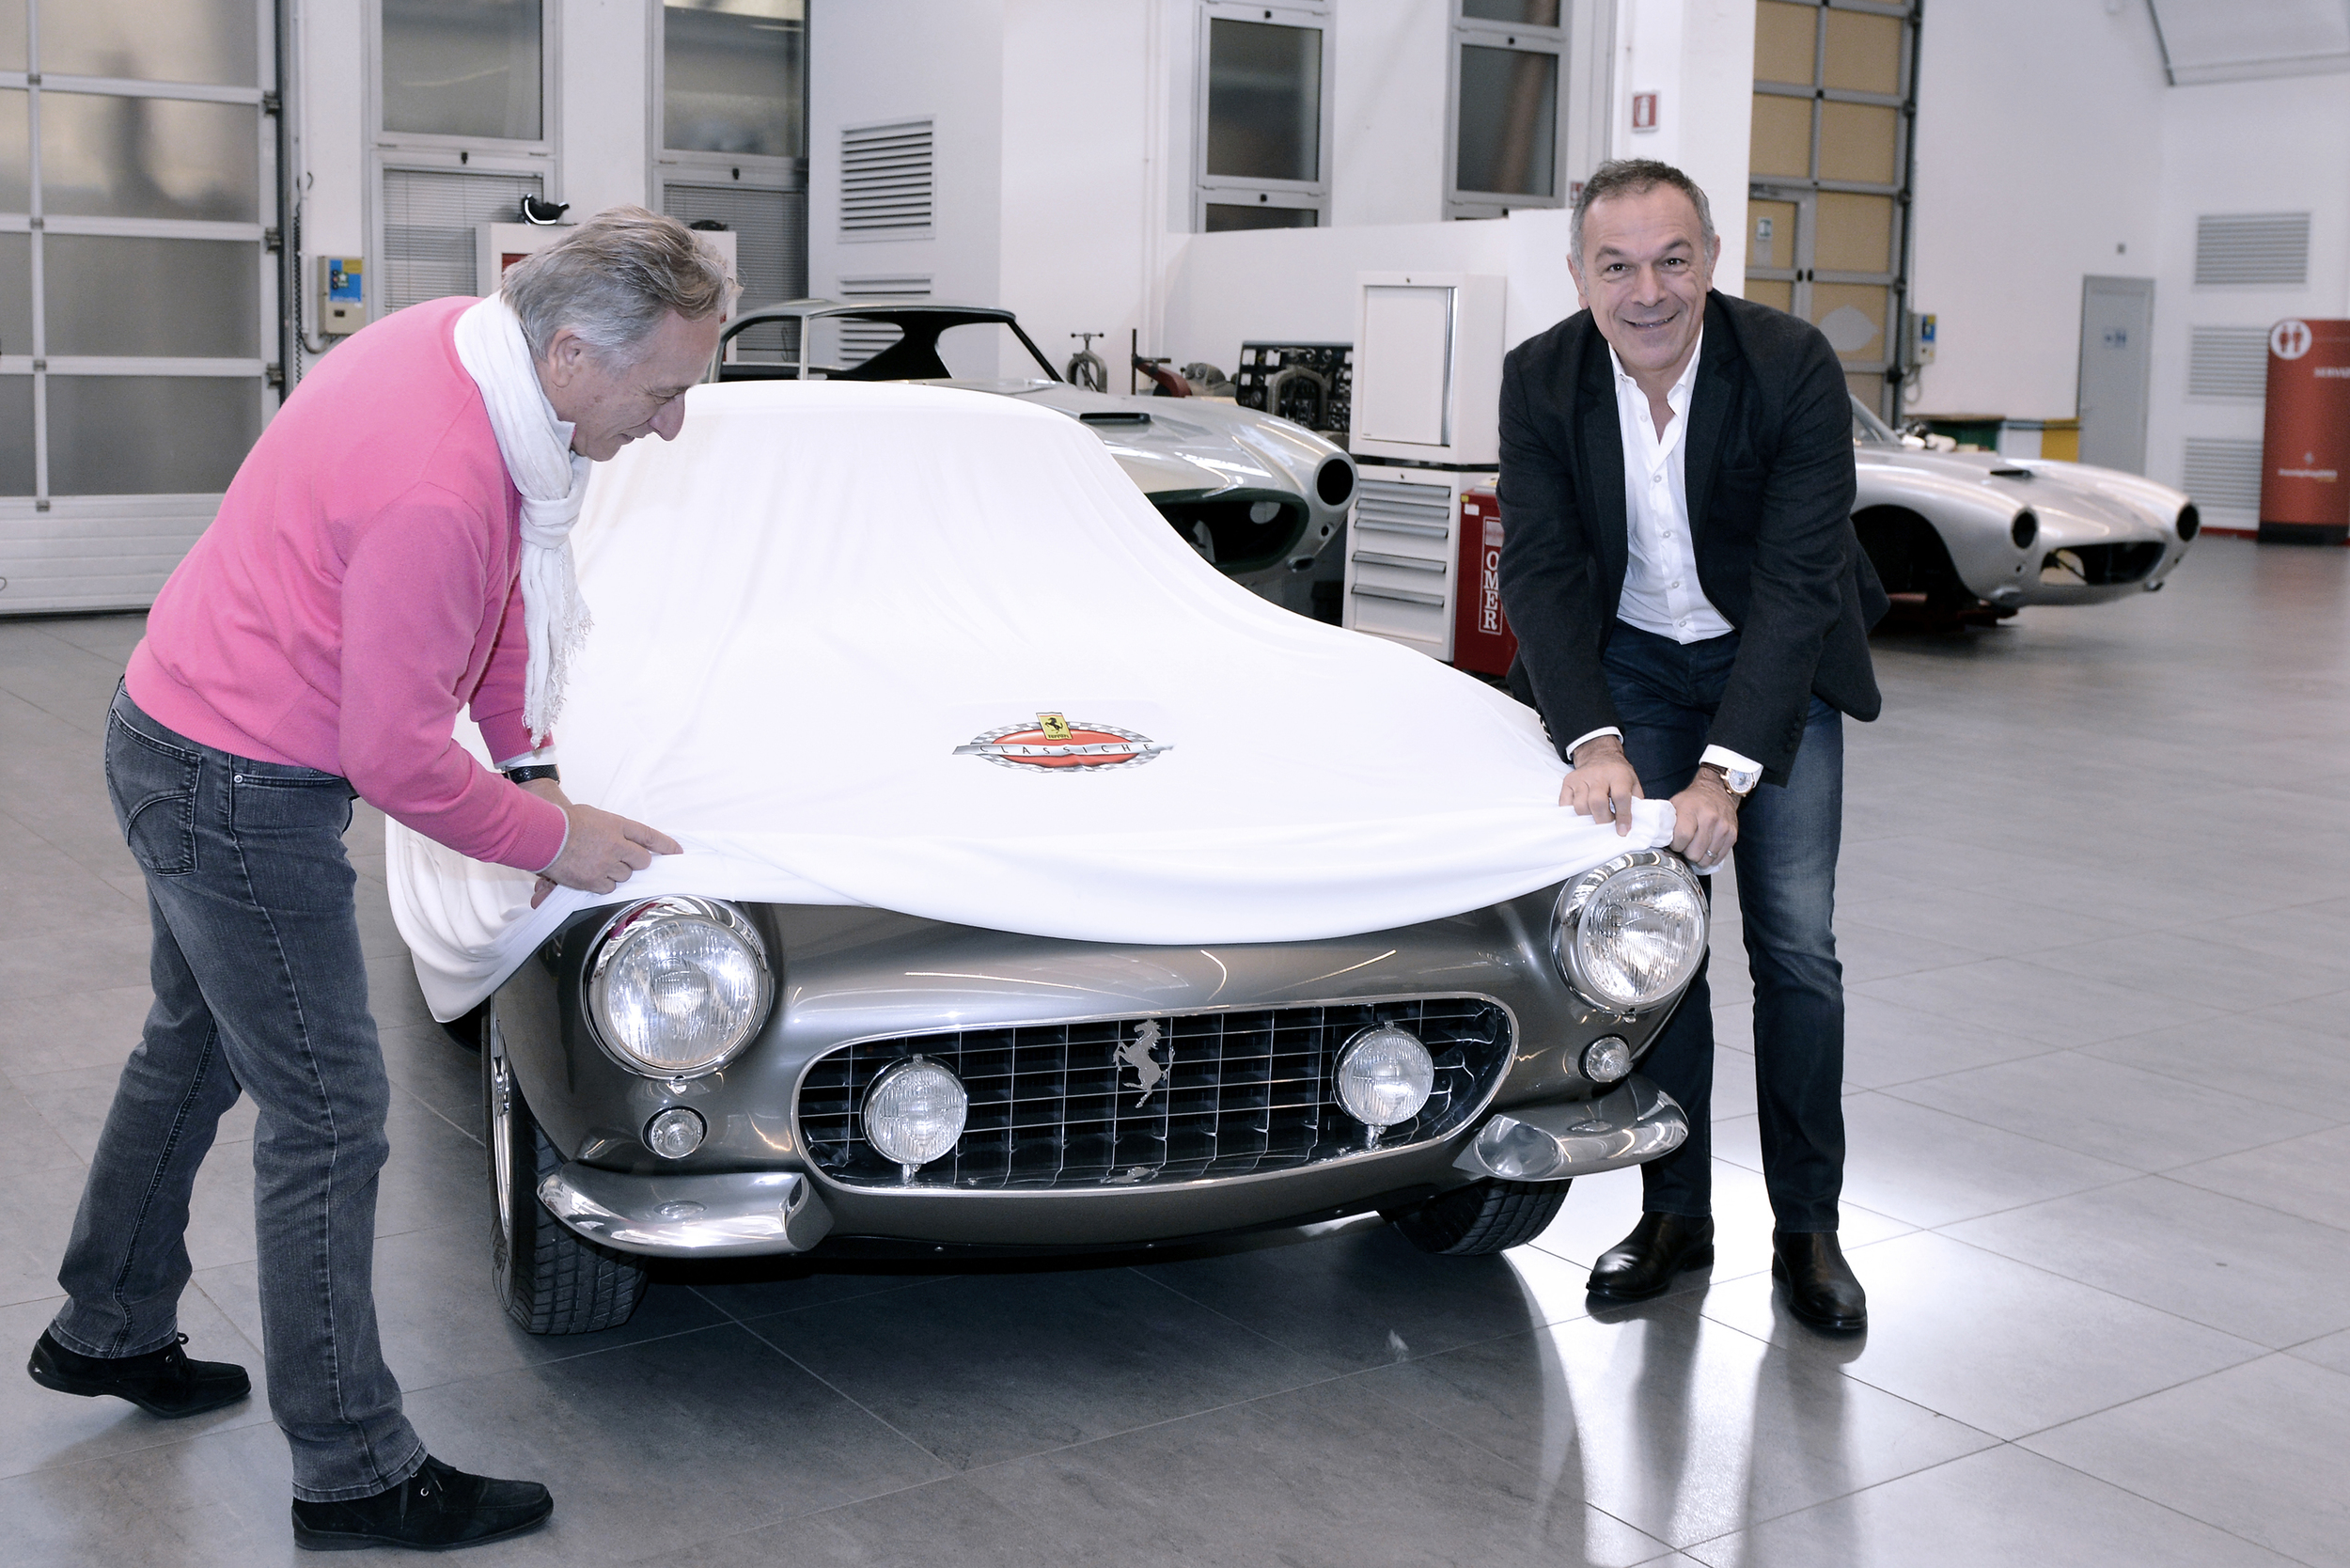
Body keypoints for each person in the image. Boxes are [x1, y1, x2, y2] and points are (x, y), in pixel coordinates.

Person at [25, 208, 728, 1548]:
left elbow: (510, 590)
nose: (672, 422)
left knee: (194, 1046)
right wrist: (555, 839)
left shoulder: (466, 353)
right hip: (236, 786)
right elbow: (395, 756)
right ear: (573, 355)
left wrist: (528, 767)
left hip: (177, 726)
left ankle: (107, 1325)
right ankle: (350, 1469)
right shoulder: (441, 482)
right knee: (332, 1112)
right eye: (663, 391)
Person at [1497, 160, 1887, 1332]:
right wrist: (1594, 737)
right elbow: (1543, 571)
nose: (1648, 291)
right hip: (1631, 666)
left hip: (1774, 664)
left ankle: (1808, 1230)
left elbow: (1799, 581)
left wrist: (1728, 769)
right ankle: (1674, 1216)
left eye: (1673, 260)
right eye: (1616, 266)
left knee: (1796, 949)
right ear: (1579, 275)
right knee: (1651, 947)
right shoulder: (1540, 378)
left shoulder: (1789, 365)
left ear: (1712, 258)